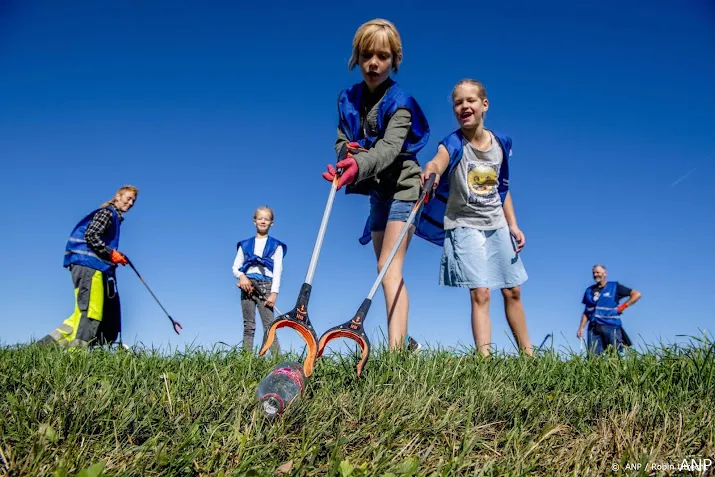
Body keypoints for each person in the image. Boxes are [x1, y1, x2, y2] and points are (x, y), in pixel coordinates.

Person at [321, 18, 430, 351]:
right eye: (367, 55)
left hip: (404, 185)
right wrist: (346, 154)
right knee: (381, 268)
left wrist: (358, 164)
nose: (373, 63)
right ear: (357, 56)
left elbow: (388, 149)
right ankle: (406, 342)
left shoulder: (402, 102)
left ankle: (396, 353)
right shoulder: (348, 98)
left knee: (387, 265)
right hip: (378, 191)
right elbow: (342, 138)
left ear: (394, 59)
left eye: (382, 56)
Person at [416, 79, 533, 358]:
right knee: (481, 292)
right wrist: (431, 170)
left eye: (470, 100)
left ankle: (530, 357)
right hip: (464, 225)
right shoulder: (454, 143)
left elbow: (501, 189)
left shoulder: (501, 144)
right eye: (458, 102)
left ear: (484, 104)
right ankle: (485, 360)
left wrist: (513, 225)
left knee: (513, 290)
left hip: (496, 224)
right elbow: (438, 160)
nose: (464, 106)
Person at [39, 185, 137, 348]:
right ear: (118, 197)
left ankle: (43, 349)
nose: (131, 202)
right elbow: (91, 235)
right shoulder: (107, 213)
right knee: (91, 313)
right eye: (128, 198)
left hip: (83, 266)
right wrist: (111, 253)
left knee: (79, 315)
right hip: (90, 267)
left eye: (133, 200)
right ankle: (77, 356)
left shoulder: (112, 216)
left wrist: (113, 258)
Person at [232, 206, 286, 356]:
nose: (263, 221)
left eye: (266, 219)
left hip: (266, 286)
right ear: (254, 221)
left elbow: (277, 271)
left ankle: (277, 360)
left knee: (269, 326)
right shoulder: (245, 245)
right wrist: (242, 277)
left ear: (271, 223)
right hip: (247, 285)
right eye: (260, 218)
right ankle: (245, 360)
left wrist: (274, 293)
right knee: (248, 325)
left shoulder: (277, 246)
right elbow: (236, 267)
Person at [577, 264, 641, 354]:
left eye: (598, 272)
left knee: (614, 355)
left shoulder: (614, 287)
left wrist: (622, 307)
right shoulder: (589, 291)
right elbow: (586, 311)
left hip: (611, 326)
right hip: (594, 327)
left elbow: (636, 294)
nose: (595, 275)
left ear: (605, 273)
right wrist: (581, 328)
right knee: (593, 356)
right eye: (594, 273)